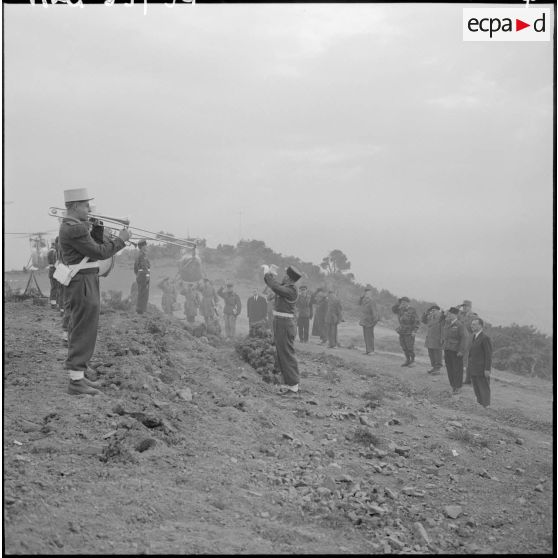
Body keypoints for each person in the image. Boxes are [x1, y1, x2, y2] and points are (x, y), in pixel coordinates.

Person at [58, 188, 130, 395]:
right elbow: (99, 252)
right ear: (75, 206)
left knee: (84, 326)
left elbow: (94, 246)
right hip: (83, 282)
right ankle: (75, 382)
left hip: (85, 280)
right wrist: (122, 239)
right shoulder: (74, 228)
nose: (89, 209)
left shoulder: (75, 226)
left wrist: (97, 230)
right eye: (86, 205)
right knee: (84, 328)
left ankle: (79, 375)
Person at [263, 264, 302, 395]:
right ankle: (290, 383)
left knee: (287, 354)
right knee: (282, 353)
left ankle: (294, 385)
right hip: (281, 323)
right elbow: (275, 286)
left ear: (290, 279)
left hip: (285, 325)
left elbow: (274, 286)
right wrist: (270, 275)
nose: (283, 277)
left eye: (285, 275)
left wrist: (268, 274)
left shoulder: (292, 290)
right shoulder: (287, 288)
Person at [442, 306, 468, 394]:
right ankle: (453, 385)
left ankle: (458, 387)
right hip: (447, 349)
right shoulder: (447, 323)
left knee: (457, 369)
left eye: (451, 314)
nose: (449, 315)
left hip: (456, 351)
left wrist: (461, 351)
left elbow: (464, 338)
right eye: (448, 313)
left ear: (455, 315)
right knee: (450, 368)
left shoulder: (459, 325)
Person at [392, 296, 420, 367]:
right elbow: (393, 309)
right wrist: (398, 303)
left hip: (409, 331)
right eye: (402, 302)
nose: (403, 304)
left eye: (404, 302)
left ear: (408, 303)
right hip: (402, 330)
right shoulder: (400, 309)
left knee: (410, 347)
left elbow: (416, 321)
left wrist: (414, 331)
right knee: (404, 346)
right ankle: (407, 360)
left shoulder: (412, 310)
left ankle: (413, 361)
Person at [458, 299, 478, 385]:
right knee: (461, 360)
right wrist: (457, 308)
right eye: (463, 306)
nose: (464, 308)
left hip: (469, 340)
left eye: (466, 306)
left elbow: (476, 330)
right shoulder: (460, 315)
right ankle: (465, 379)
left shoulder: (474, 317)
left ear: (470, 307)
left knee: (468, 361)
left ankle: (468, 379)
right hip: (460, 340)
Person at [421, 305, 445, 374]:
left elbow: (443, 328)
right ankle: (434, 367)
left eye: (434, 310)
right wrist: (426, 313)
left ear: (438, 311)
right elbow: (423, 321)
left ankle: (438, 369)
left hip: (437, 338)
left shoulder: (441, 317)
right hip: (430, 338)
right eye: (431, 311)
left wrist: (442, 338)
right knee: (431, 353)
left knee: (437, 353)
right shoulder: (430, 317)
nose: (432, 312)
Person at [358, 286, 379, 354]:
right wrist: (361, 297)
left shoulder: (372, 301)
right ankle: (368, 350)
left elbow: (374, 313)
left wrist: (374, 322)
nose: (367, 295)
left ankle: (371, 350)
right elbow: (359, 303)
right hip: (364, 321)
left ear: (370, 294)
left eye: (368, 294)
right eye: (366, 294)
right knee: (366, 336)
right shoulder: (364, 300)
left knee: (370, 336)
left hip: (370, 321)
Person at [134, 239, 150, 314]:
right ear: (143, 247)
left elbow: (135, 268)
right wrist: (146, 275)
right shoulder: (142, 255)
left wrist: (138, 274)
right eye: (145, 245)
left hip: (140, 275)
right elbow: (144, 266)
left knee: (141, 292)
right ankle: (141, 310)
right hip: (144, 275)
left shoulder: (138, 255)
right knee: (144, 293)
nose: (147, 247)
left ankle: (140, 309)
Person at [47, 239, 59, 310]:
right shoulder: (53, 252)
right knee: (55, 288)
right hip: (54, 271)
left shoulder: (49, 251)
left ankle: (53, 303)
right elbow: (55, 263)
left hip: (51, 271)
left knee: (53, 287)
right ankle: (54, 303)